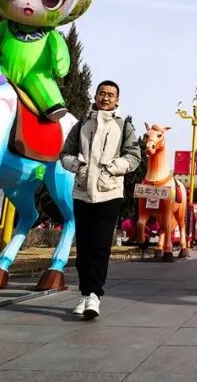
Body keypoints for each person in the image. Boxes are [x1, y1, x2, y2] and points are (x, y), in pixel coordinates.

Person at [59, 80, 140, 319]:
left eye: (111, 95)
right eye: (102, 93)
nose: (106, 98)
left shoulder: (123, 126)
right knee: (83, 247)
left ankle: (95, 295)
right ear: (95, 96)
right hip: (82, 192)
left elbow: (134, 156)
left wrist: (113, 168)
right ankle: (85, 294)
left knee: (100, 246)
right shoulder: (82, 124)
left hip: (109, 192)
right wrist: (76, 165)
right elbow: (65, 153)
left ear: (117, 100)